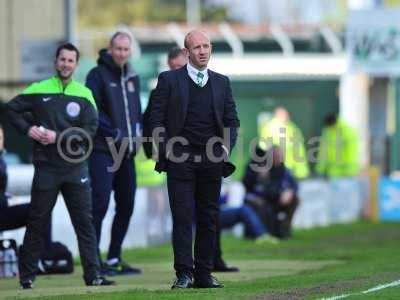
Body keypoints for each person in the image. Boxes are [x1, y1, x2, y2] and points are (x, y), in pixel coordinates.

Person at [5, 43, 113, 288]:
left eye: (70, 60)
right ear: (56, 62)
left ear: (76, 64)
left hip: (76, 169)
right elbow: (12, 110)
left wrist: (58, 137)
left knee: (84, 223)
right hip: (47, 168)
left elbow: (90, 132)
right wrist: (28, 129)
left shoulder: (84, 94)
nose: (66, 64)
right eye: (62, 59)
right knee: (37, 221)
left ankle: (93, 276)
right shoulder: (38, 89)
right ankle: (27, 278)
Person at [150, 30, 240, 289]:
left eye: (206, 46)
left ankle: (203, 274)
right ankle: (184, 274)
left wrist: (225, 149)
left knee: (208, 218)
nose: (202, 51)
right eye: (197, 47)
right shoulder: (169, 80)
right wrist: (166, 148)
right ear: (186, 53)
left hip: (212, 159)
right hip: (180, 159)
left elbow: (232, 122)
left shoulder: (222, 82)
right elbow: (156, 119)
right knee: (182, 216)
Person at [86, 31, 142, 276]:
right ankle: (93, 261)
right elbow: (92, 110)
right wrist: (115, 133)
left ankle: (113, 258)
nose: (121, 53)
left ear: (130, 51)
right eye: (118, 49)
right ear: (110, 49)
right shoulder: (97, 75)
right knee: (100, 204)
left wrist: (139, 137)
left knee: (127, 205)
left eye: (125, 49)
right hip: (102, 151)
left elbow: (136, 112)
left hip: (126, 154)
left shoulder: (132, 76)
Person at [0, 124, 52, 249]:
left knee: (42, 210)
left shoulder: (2, 159)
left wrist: (7, 197)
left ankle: (42, 255)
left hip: (3, 209)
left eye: (1, 138)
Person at [243, 146, 299, 239]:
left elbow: (294, 184)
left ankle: (284, 230)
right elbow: (247, 184)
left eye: (279, 155)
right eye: (275, 155)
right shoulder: (259, 167)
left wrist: (290, 192)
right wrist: (260, 177)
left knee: (295, 199)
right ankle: (264, 232)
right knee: (260, 205)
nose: (278, 158)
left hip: (277, 198)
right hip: (262, 199)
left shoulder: (284, 170)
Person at [258, 107, 309, 179]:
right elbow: (263, 147)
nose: (285, 117)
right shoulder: (269, 128)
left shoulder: (293, 127)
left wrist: (301, 170)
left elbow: (300, 150)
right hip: (275, 166)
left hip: (291, 166)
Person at [316, 113, 360, 178]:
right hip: (332, 172)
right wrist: (320, 169)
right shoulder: (327, 132)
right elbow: (323, 151)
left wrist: (349, 170)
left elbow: (352, 152)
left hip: (346, 174)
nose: (330, 128)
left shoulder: (347, 131)